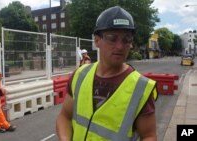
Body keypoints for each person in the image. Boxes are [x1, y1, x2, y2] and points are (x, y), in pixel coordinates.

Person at [56, 6, 158, 141]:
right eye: (112, 38)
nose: (120, 46)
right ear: (97, 40)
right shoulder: (80, 75)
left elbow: (149, 136)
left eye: (126, 39)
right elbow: (64, 117)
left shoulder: (141, 88)